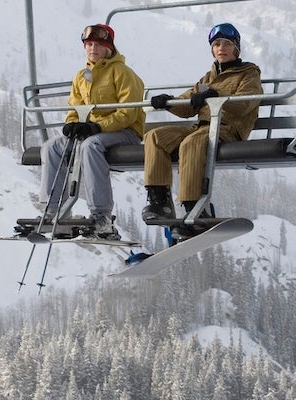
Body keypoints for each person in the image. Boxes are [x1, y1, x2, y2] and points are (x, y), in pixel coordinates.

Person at [141, 22, 261, 224]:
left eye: (226, 43)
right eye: (216, 44)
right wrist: (168, 102)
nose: (221, 48)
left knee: (191, 143)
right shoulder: (209, 77)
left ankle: (194, 207)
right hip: (202, 127)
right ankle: (159, 200)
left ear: (236, 48)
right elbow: (188, 105)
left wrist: (216, 95)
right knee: (155, 136)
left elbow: (246, 103)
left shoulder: (248, 74)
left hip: (228, 129)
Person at [39, 22, 146, 238]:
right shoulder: (82, 76)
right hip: (93, 132)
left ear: (109, 48)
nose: (92, 49)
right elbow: (74, 106)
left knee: (90, 146)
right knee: (51, 146)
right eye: (88, 44)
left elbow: (129, 113)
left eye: (98, 44)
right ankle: (52, 211)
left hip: (124, 133)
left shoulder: (123, 73)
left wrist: (97, 126)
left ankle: (102, 216)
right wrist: (72, 124)